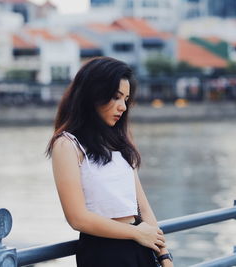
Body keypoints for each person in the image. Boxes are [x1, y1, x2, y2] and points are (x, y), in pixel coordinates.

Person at [46, 57, 174, 267]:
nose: (123, 107)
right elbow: (77, 218)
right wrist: (135, 233)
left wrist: (164, 256)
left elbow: (143, 207)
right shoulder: (67, 145)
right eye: (116, 97)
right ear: (93, 94)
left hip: (141, 245)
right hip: (103, 252)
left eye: (126, 99)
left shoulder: (120, 142)